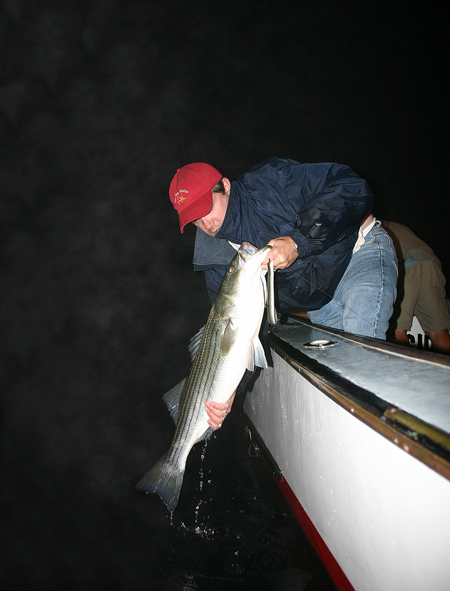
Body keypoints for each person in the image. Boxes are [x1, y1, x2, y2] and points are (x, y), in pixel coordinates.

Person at [169, 158, 398, 429]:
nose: (206, 224)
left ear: (226, 187)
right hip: (321, 299)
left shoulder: (269, 184)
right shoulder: (214, 258)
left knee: (361, 357)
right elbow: (239, 330)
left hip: (359, 253)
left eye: (206, 208)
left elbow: (351, 186)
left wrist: (297, 241)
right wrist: (229, 389)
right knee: (340, 372)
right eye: (194, 219)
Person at [381, 221, 450, 354]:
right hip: (430, 262)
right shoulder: (396, 225)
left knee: (396, 330)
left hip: (406, 265)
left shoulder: (368, 225)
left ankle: (408, 373)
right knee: (438, 332)